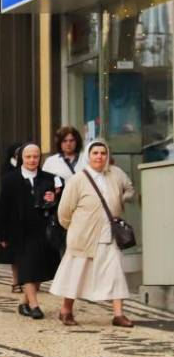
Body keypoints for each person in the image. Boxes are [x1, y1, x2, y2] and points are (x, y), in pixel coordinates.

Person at [51, 140, 136, 327]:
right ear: (88, 156)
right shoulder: (77, 180)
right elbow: (64, 211)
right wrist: (73, 228)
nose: (99, 156)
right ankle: (66, 310)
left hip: (109, 234)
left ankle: (118, 314)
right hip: (84, 235)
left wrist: (121, 199)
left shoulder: (115, 173)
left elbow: (130, 188)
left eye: (103, 153)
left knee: (115, 273)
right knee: (77, 273)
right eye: (95, 153)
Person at [0, 143, 62, 319]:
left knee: (39, 269)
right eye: (28, 157)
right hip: (19, 232)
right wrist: (1, 234)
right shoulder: (10, 179)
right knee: (27, 268)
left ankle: (24, 303)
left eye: (36, 156)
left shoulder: (49, 178)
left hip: (43, 230)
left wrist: (53, 198)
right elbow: (2, 208)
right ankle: (34, 306)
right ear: (21, 159)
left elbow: (57, 203)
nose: (32, 160)